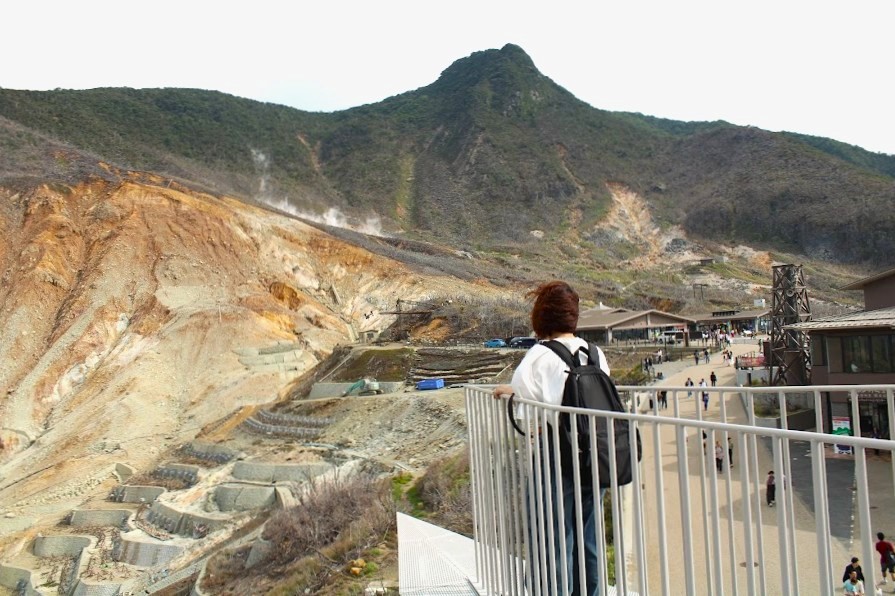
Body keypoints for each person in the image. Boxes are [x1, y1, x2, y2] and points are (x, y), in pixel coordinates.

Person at [492, 281, 608, 596]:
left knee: (551, 540)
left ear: (541, 316)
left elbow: (531, 421)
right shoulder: (595, 354)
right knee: (589, 538)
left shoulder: (538, 356)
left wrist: (513, 396)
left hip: (555, 457)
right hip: (595, 458)